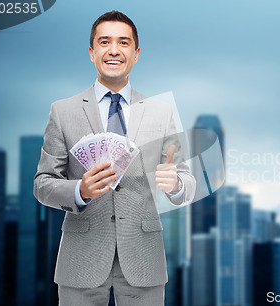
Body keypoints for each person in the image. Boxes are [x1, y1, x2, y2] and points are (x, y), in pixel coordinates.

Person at [33, 10, 196, 305]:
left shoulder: (161, 112)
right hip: (81, 258)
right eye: (104, 42)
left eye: (123, 43)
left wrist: (176, 186)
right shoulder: (63, 111)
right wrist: (78, 191)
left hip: (144, 258)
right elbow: (42, 183)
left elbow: (186, 180)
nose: (114, 50)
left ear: (136, 54)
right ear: (92, 52)